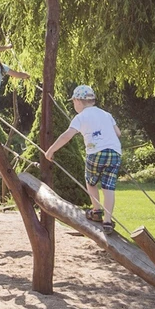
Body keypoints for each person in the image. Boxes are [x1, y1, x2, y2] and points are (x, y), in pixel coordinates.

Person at [43, 85, 123, 229]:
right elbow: (118, 133)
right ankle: (108, 221)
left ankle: (97, 210)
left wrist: (50, 150)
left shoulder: (80, 117)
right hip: (115, 153)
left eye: (73, 102)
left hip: (95, 152)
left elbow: (67, 136)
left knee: (91, 181)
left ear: (78, 101)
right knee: (108, 187)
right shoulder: (106, 114)